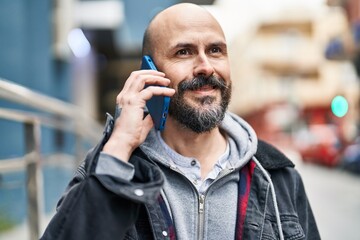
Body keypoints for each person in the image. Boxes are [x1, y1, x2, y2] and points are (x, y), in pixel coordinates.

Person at [41, 3, 320, 240]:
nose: (206, 66)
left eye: (215, 50)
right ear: (150, 73)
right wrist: (119, 146)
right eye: (183, 52)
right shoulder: (112, 167)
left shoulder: (276, 176)